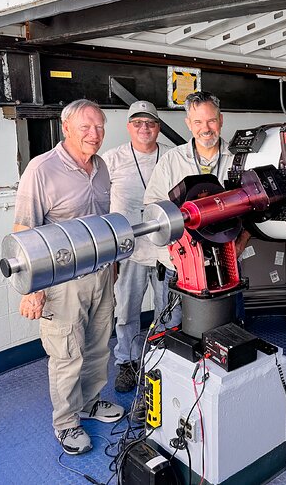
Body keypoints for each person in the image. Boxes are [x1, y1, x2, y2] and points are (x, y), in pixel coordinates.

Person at [14, 99, 123, 456]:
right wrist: (33, 290)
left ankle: (90, 403)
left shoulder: (102, 167)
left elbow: (103, 222)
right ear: (66, 128)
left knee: (97, 346)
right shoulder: (41, 169)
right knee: (66, 353)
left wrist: (113, 263)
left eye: (100, 127)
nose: (94, 134)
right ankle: (66, 423)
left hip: (101, 274)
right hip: (61, 282)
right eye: (85, 127)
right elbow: (23, 233)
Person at [144, 91, 250, 320]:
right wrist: (171, 255)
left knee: (229, 330)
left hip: (227, 264)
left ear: (221, 120)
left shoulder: (239, 160)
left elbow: (257, 206)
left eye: (211, 120)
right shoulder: (171, 161)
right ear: (188, 124)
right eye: (198, 122)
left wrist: (240, 244)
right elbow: (153, 212)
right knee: (172, 331)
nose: (206, 128)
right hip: (179, 268)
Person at [101, 101, 173, 393]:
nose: (145, 128)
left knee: (167, 311)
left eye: (151, 122)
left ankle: (162, 362)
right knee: (127, 311)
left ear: (158, 126)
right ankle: (127, 362)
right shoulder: (112, 159)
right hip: (128, 249)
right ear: (129, 126)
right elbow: (99, 204)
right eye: (138, 122)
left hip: (165, 249)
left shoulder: (171, 156)